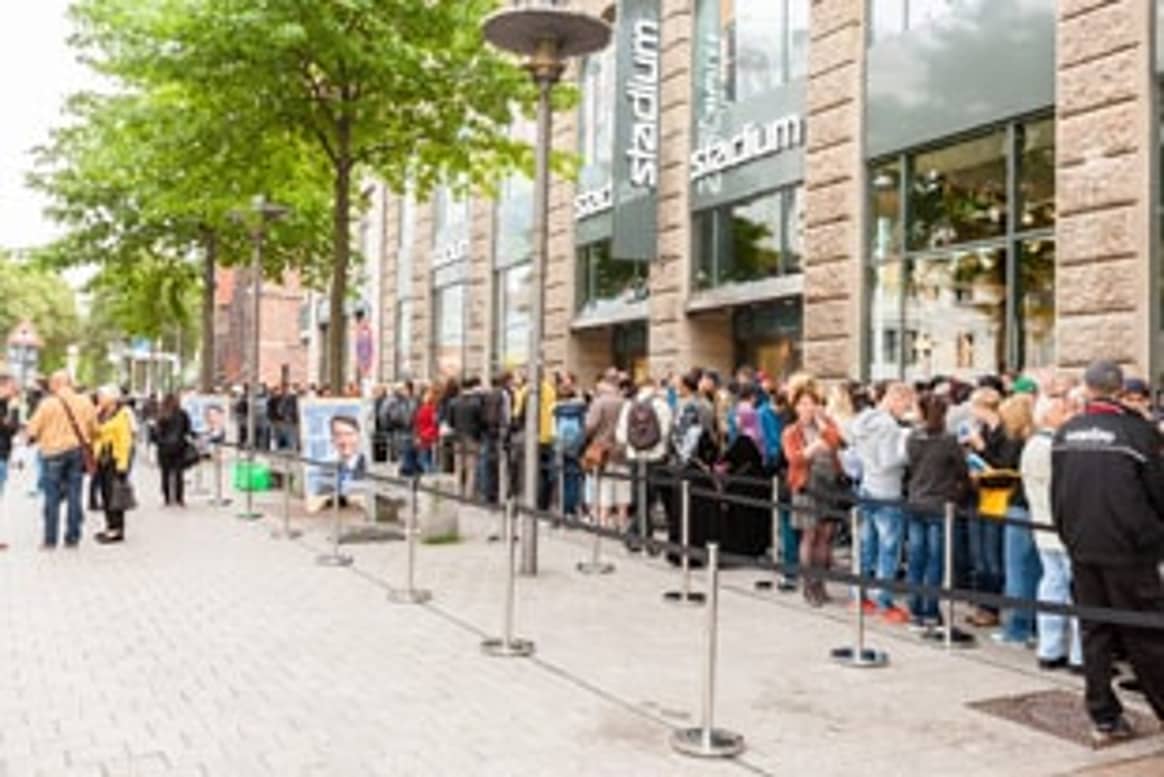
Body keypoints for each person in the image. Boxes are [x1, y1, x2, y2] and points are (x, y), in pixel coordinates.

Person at [1052, 361, 1164, 745]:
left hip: (1083, 544)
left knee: (1095, 632)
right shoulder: (1137, 433)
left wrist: (1069, 535)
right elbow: (1157, 491)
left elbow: (1059, 493)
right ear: (1119, 390)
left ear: (1088, 388)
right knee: (1146, 633)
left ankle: (1103, 713)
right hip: (1129, 549)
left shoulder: (1066, 432)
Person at [1023, 382, 1083, 673]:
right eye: (1064, 410)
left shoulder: (1035, 444)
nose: (1070, 414)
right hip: (1063, 527)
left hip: (1045, 527)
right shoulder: (1053, 447)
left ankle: (1051, 648)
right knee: (1073, 588)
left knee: (1053, 584)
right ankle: (1077, 655)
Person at [849, 381, 914, 623]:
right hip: (888, 490)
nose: (906, 410)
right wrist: (907, 447)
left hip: (867, 486)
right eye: (906, 404)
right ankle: (883, 600)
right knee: (889, 550)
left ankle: (859, 594)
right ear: (896, 399)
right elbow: (887, 460)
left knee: (867, 544)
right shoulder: (889, 426)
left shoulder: (864, 419)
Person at [905, 393, 969, 629]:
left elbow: (911, 465)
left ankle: (915, 610)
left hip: (916, 499)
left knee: (916, 558)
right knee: (935, 560)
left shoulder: (913, 437)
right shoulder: (948, 441)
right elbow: (962, 472)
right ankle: (931, 610)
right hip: (939, 503)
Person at [782, 379, 843, 607]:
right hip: (806, 486)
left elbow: (836, 442)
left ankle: (821, 584)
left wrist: (821, 421)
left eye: (811, 403)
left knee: (826, 536)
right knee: (810, 535)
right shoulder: (791, 431)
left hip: (829, 484)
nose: (807, 407)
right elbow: (794, 459)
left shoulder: (826, 424)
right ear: (795, 407)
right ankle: (809, 586)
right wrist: (814, 448)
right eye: (803, 403)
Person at [24, 370, 97, 549]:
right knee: (75, 494)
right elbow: (95, 429)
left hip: (52, 454)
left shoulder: (47, 404)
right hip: (77, 452)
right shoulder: (85, 402)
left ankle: (50, 539)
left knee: (52, 497)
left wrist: (32, 438)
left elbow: (32, 430)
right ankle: (72, 537)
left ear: (56, 384)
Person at [996, 394, 1042, 646]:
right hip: (1036, 510)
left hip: (1020, 507)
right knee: (1034, 571)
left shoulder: (1020, 443)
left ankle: (1017, 628)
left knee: (1017, 571)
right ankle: (1032, 624)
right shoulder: (1038, 440)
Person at [617, 379, 673, 545]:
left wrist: (634, 445)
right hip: (656, 457)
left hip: (635, 456)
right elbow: (666, 431)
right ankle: (641, 535)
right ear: (654, 387)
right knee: (653, 497)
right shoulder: (663, 405)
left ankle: (639, 534)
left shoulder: (629, 405)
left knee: (639, 497)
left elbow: (620, 435)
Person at [585, 373, 629, 531]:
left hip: (601, 448)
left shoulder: (599, 402)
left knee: (604, 484)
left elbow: (590, 425)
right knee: (623, 484)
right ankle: (622, 520)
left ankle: (603, 521)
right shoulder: (625, 402)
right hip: (622, 449)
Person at [92, 386, 134, 544]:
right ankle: (109, 526)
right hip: (102, 459)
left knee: (114, 495)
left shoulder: (121, 416)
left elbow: (125, 441)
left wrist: (122, 465)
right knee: (105, 494)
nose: (99, 399)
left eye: (101, 396)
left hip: (115, 460)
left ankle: (117, 529)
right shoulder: (102, 414)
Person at [155, 393, 193, 507]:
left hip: (164, 448)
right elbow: (188, 429)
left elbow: (156, 433)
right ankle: (179, 498)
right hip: (179, 447)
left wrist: (160, 442)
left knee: (165, 473)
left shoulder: (161, 414)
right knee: (179, 473)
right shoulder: (183, 413)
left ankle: (167, 498)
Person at [414, 385, 440, 474]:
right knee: (427, 455)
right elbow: (434, 423)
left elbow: (418, 423)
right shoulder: (431, 410)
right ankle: (429, 470)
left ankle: (428, 470)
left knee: (425, 456)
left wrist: (420, 434)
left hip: (425, 435)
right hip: (428, 435)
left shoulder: (424, 410)